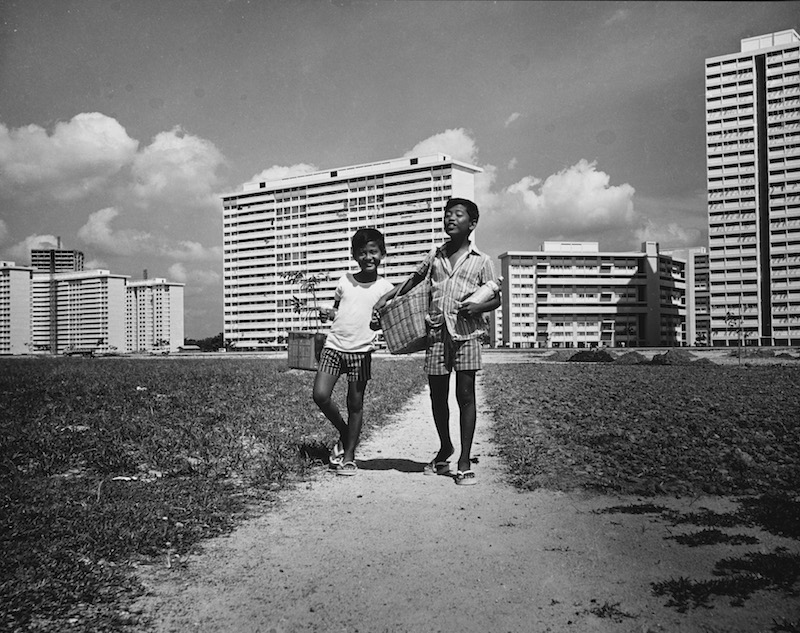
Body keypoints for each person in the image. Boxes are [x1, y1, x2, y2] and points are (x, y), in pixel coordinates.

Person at [374, 198, 500, 485]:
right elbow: (413, 279)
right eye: (447, 215)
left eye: (458, 215)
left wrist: (477, 308)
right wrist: (385, 298)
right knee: (437, 396)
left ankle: (465, 460)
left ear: (473, 224)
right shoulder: (435, 255)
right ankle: (445, 447)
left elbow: (496, 297)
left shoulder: (482, 261)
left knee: (465, 395)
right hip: (436, 333)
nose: (450, 219)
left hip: (467, 335)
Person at [313, 228, 394, 476]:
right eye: (362, 253)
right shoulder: (344, 281)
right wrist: (328, 314)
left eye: (373, 252)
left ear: (382, 253)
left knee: (355, 403)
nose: (368, 257)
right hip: (334, 346)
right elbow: (339, 310)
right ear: (354, 255)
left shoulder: (385, 288)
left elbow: (387, 320)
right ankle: (347, 432)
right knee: (320, 395)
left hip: (361, 353)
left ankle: (349, 456)